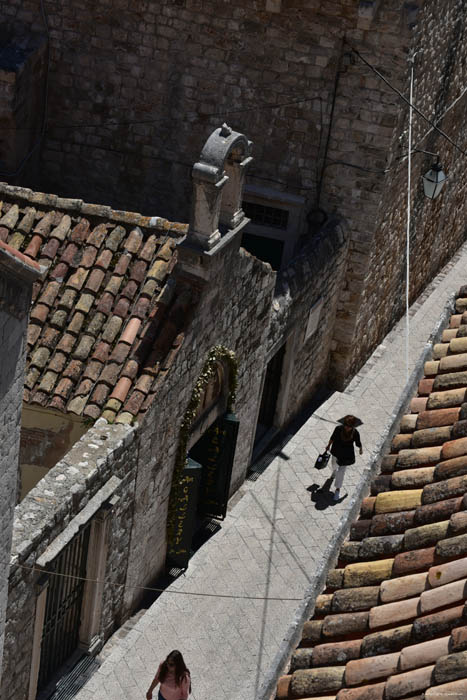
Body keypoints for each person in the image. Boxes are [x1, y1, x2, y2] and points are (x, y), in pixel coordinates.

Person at [325, 415, 363, 501]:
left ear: (352, 426)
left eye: (349, 426)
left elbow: (358, 442)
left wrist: (360, 449)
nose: (347, 427)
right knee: (334, 465)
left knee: (341, 472)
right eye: (346, 425)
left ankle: (337, 490)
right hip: (336, 451)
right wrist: (328, 446)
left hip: (346, 455)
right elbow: (332, 438)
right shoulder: (338, 429)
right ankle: (334, 472)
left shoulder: (355, 433)